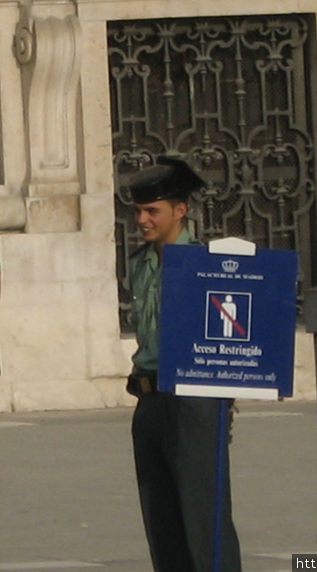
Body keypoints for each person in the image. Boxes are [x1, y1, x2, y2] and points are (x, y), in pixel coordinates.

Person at [125, 155, 242, 572]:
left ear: (180, 210)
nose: (142, 219)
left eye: (152, 211)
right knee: (162, 523)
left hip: (194, 400)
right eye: (137, 210)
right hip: (150, 397)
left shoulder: (209, 264)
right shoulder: (138, 263)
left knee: (203, 519)